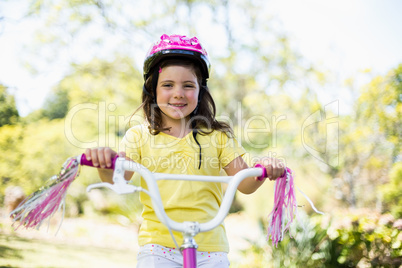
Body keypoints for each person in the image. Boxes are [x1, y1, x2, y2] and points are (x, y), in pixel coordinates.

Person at [84, 34, 285, 267]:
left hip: (210, 246)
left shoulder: (217, 137)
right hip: (158, 244)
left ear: (200, 91)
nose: (178, 93)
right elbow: (119, 179)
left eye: (188, 86)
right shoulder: (139, 136)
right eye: (168, 85)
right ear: (153, 90)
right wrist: (105, 165)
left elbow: (245, 183)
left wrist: (263, 169)